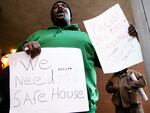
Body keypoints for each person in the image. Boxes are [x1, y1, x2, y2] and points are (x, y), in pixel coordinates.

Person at [0, 1, 138, 113]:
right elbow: (17, 58)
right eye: (55, 7)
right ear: (52, 16)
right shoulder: (37, 35)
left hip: (82, 105)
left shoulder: (87, 37)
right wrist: (26, 44)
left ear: (70, 16)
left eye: (64, 6)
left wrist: (129, 39)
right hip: (40, 105)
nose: (59, 6)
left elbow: (116, 64)